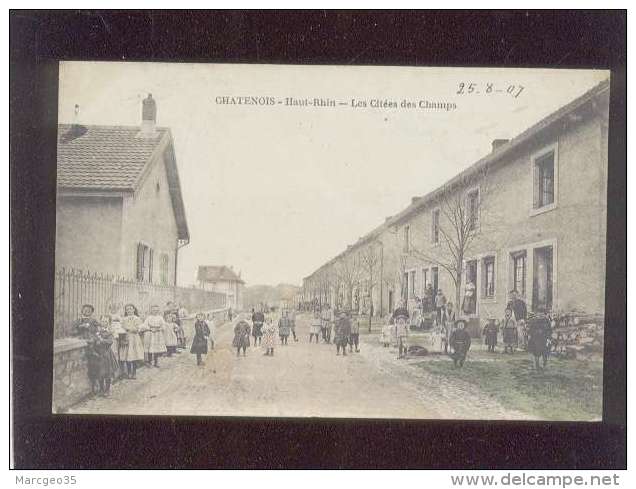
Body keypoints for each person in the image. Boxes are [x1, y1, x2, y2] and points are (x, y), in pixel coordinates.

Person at [71, 306, 117, 396]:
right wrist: (94, 340)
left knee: (107, 373)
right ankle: (101, 389)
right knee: (100, 372)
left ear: (109, 323)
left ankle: (107, 390)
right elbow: (75, 332)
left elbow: (110, 341)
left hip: (106, 354)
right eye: (103, 321)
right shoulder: (97, 331)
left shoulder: (109, 332)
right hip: (99, 354)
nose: (104, 323)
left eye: (106, 322)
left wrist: (101, 340)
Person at [120, 303, 144, 379]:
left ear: (134, 309)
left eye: (130, 308)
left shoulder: (137, 318)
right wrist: (124, 331)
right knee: (127, 356)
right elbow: (121, 328)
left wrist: (131, 329)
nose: (129, 310)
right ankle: (129, 372)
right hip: (126, 338)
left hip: (134, 339)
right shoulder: (124, 319)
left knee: (134, 355)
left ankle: (134, 372)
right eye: (127, 309)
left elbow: (139, 328)